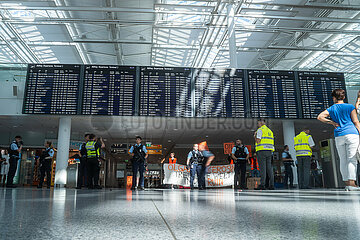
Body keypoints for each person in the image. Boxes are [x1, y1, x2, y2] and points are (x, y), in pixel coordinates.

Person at [318, 89, 360, 191]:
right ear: (344, 97)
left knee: (343, 160)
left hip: (339, 135)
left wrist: (331, 123)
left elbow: (320, 117)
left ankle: (346, 183)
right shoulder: (350, 107)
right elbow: (356, 122)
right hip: (351, 134)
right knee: (352, 159)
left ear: (334, 98)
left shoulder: (332, 108)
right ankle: (352, 184)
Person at [254, 119, 275, 190]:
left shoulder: (260, 130)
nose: (257, 125)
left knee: (263, 168)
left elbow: (258, 141)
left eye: (258, 123)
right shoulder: (270, 131)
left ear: (261, 123)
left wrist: (255, 136)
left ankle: (262, 184)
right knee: (269, 168)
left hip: (262, 150)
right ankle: (271, 185)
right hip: (269, 151)